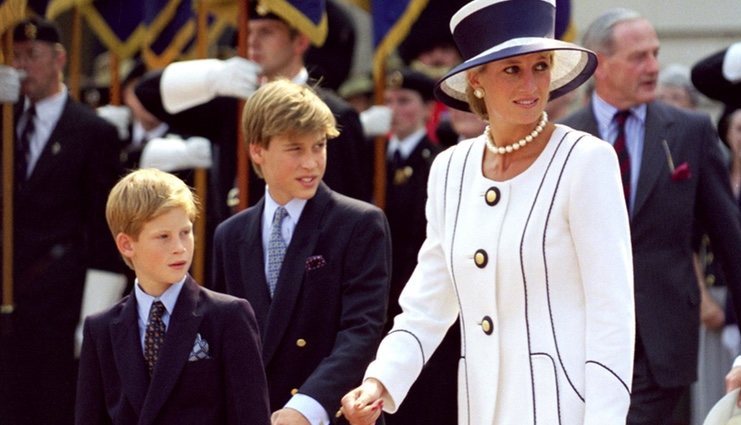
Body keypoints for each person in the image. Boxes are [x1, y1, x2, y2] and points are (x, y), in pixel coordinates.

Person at [342, 0, 635, 424]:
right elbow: (428, 304)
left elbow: (613, 315)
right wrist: (379, 382)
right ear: (476, 80)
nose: (531, 84)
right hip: (479, 409)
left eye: (540, 66)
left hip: (567, 411)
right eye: (512, 70)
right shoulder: (450, 169)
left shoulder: (586, 160)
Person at [560, 8, 741, 425]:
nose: (653, 68)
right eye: (638, 57)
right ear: (599, 64)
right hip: (583, 346)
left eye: (655, 54)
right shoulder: (564, 141)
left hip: (665, 345)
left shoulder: (690, 132)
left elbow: (734, 247)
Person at [211, 80, 391, 425]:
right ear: (257, 151)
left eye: (319, 146)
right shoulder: (229, 236)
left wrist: (306, 408)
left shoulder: (359, 223)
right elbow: (227, 343)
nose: (311, 163)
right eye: (295, 149)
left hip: (333, 414)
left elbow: (361, 331)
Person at [135, 0, 371, 221]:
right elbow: (147, 93)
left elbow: (351, 206)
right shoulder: (234, 104)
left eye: (266, 32)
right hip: (239, 248)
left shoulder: (334, 114)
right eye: (248, 31)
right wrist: (212, 77)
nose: (251, 41)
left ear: (300, 42)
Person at [0, 17, 125, 425]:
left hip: (58, 296)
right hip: (6, 291)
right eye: (14, 56)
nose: (21, 67)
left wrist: (93, 315)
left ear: (59, 59)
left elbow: (103, 228)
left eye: (32, 56)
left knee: (50, 405)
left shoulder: (92, 131)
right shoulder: (4, 122)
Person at [75, 168, 270, 424]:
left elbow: (251, 417)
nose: (180, 248)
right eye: (163, 237)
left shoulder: (228, 316)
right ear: (126, 244)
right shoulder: (100, 329)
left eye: (186, 232)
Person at [379, 68, 458, 425]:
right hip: (378, 301)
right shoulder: (374, 160)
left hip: (416, 297)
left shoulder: (436, 162)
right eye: (390, 101)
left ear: (428, 109)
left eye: (405, 101)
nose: (396, 109)